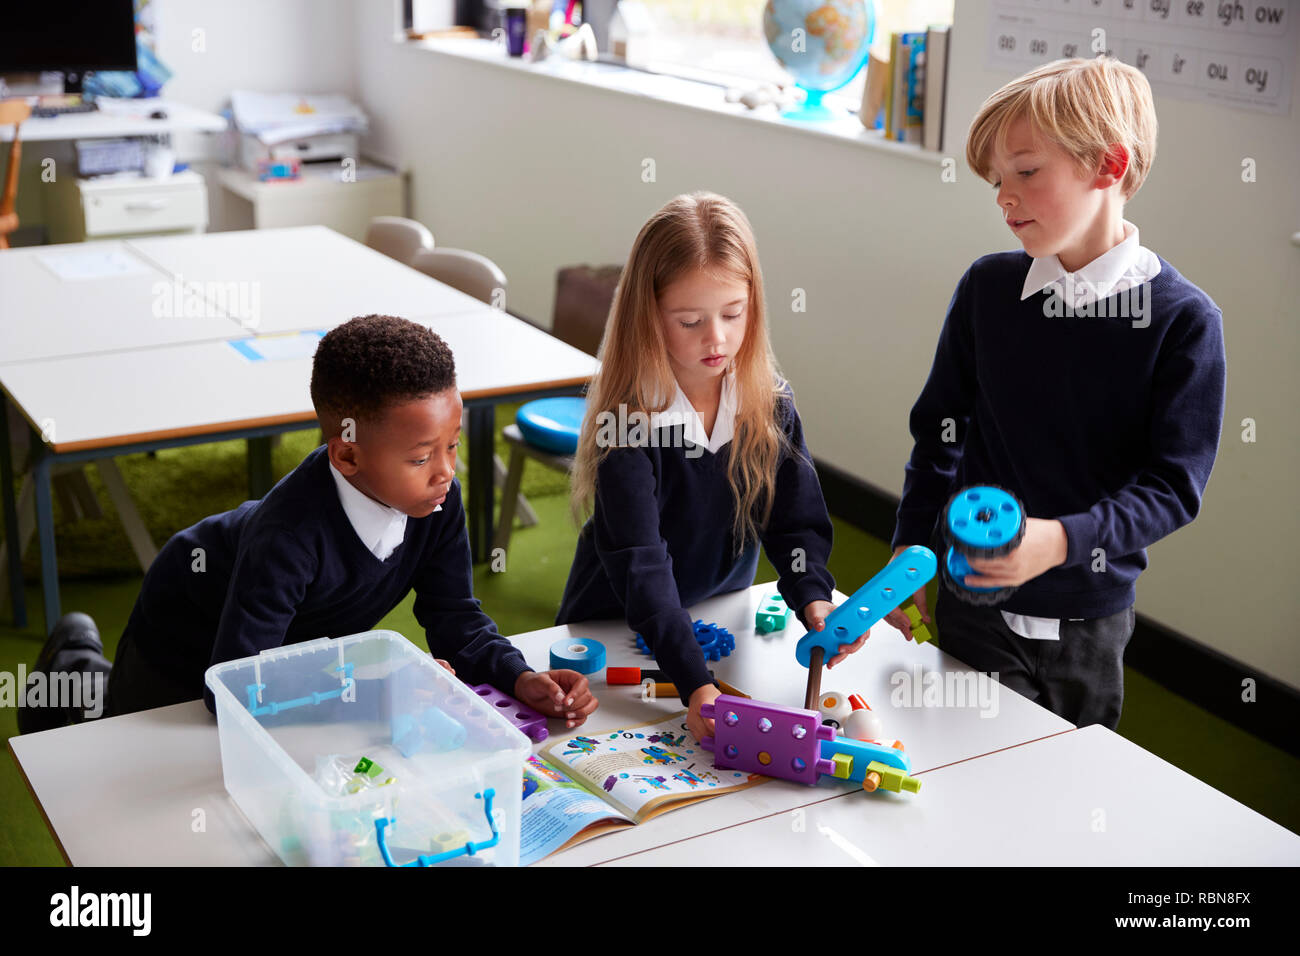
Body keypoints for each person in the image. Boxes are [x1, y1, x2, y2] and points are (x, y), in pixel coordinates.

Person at [19, 315, 597, 733]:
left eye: (453, 445)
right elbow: (232, 690)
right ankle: (73, 661)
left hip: (278, 638)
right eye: (422, 457)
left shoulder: (438, 499)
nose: (446, 471)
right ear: (346, 456)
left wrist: (517, 675)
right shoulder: (287, 539)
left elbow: (454, 618)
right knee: (127, 728)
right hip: (183, 627)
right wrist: (380, 691)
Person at [889, 58, 1226, 730]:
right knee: (968, 776)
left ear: (1108, 166)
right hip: (971, 602)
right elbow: (940, 435)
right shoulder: (987, 290)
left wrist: (1060, 542)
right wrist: (910, 549)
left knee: (1068, 798)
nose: (1003, 196)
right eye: (996, 180)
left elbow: (1172, 486)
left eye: (1026, 171)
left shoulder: (1184, 321)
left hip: (1091, 619)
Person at [557, 192, 867, 743]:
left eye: (733, 313)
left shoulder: (770, 403)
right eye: (690, 320)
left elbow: (793, 522)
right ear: (648, 316)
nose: (717, 338)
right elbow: (642, 563)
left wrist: (814, 599)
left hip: (721, 615)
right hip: (619, 622)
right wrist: (695, 683)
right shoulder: (627, 421)